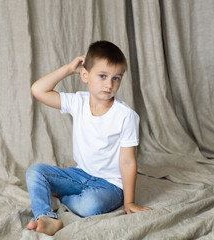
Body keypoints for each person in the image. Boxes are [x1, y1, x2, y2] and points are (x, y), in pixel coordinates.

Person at [26, 40, 151, 236]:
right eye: (102, 76)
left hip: (110, 185)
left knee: (90, 205)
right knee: (35, 172)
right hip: (80, 174)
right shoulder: (78, 102)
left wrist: (129, 202)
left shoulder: (126, 116)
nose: (109, 84)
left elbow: (127, 162)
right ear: (85, 75)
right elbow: (38, 90)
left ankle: (62, 195)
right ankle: (46, 217)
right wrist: (68, 69)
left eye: (116, 78)